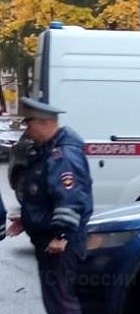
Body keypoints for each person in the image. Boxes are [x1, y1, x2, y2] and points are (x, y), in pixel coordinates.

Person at [7, 97, 93, 314]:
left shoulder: (63, 155)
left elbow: (71, 198)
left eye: (30, 124)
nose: (27, 130)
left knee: (62, 303)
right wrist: (26, 221)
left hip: (59, 245)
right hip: (49, 241)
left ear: (45, 123)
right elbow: (45, 196)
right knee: (56, 300)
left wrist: (61, 236)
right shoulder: (47, 150)